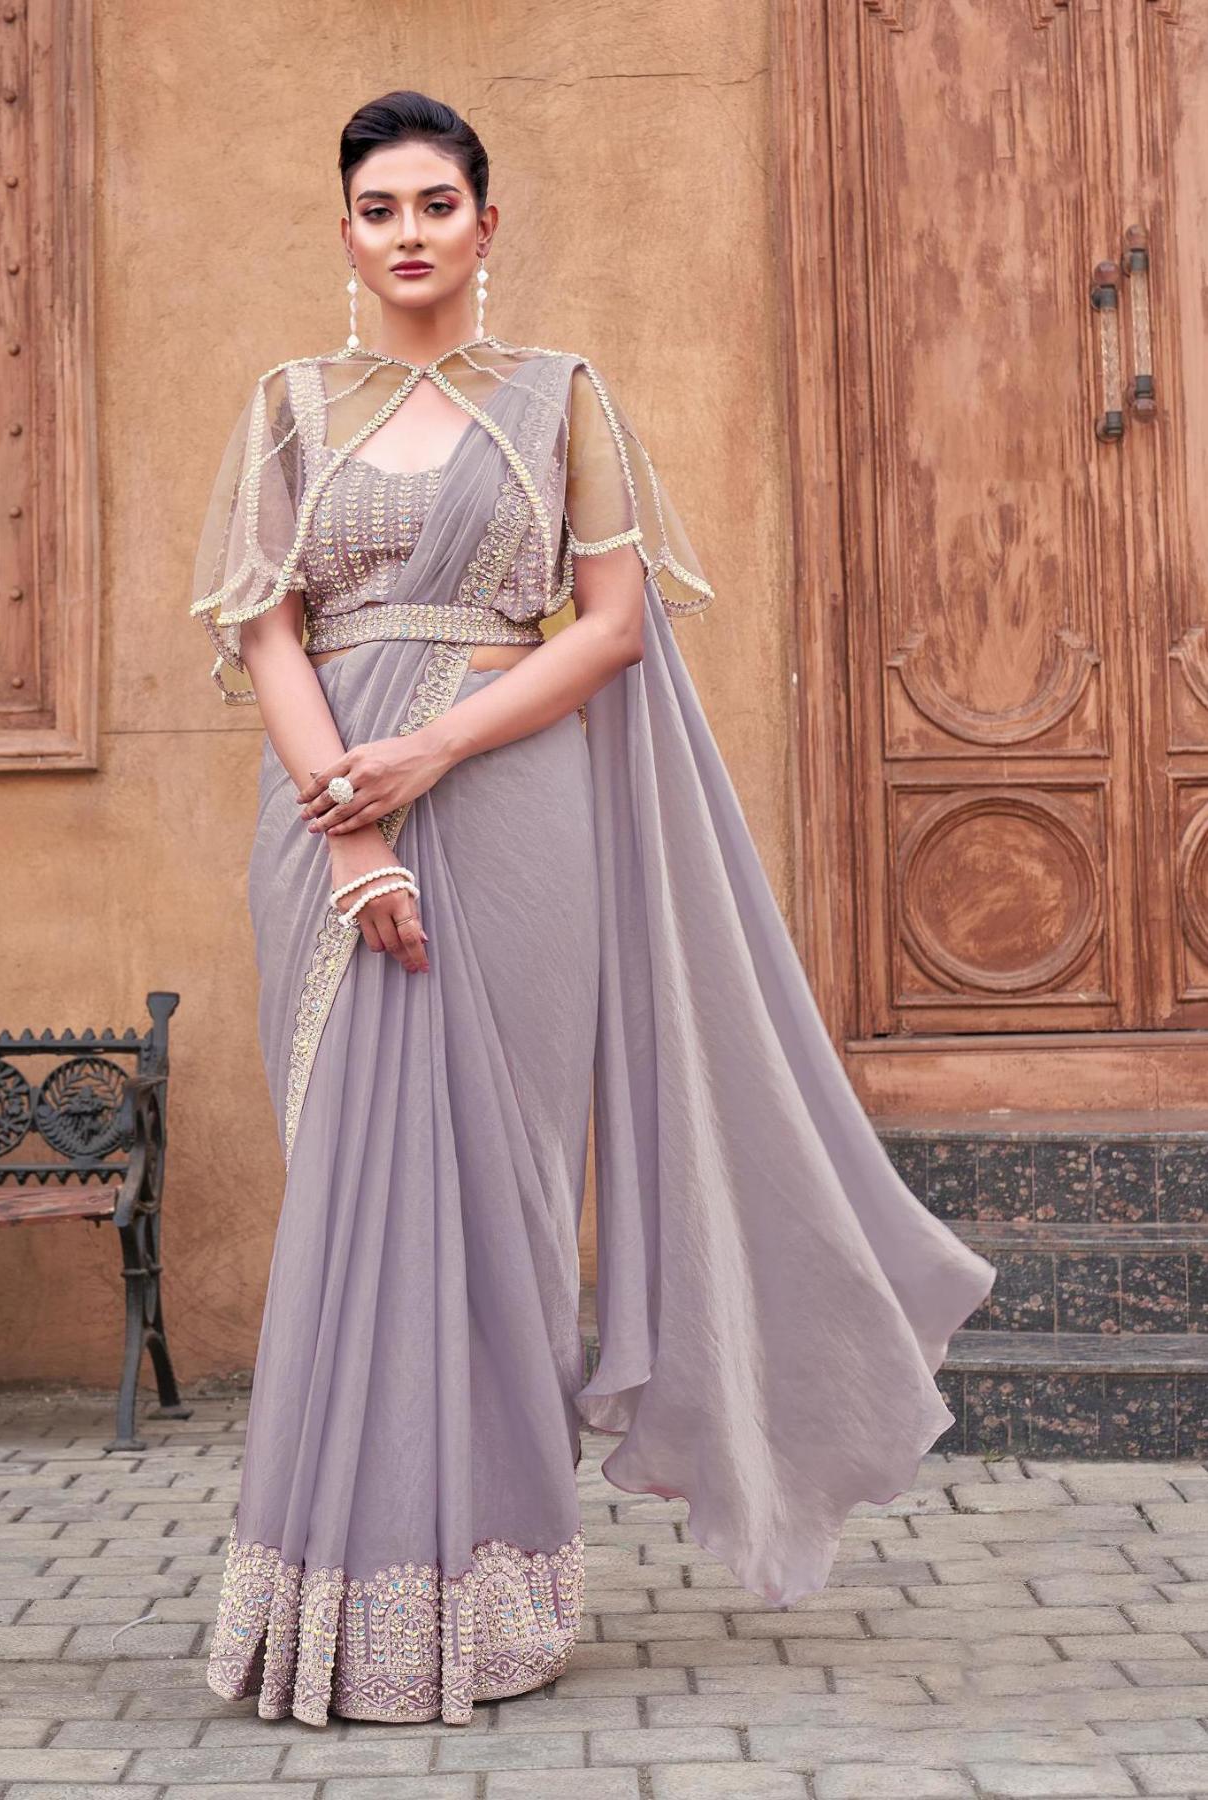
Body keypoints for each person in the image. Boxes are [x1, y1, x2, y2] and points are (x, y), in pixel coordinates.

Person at [191, 89, 996, 1732]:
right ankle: (337, 1596)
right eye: (378, 209)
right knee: (354, 1190)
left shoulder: (563, 398)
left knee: (504, 1191)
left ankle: (495, 1594)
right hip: (332, 827)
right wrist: (355, 831)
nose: (409, 232)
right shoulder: (286, 406)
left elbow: (614, 626)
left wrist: (433, 751)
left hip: (513, 817)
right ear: (345, 235)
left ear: (487, 223)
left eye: (436, 203)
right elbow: (265, 629)